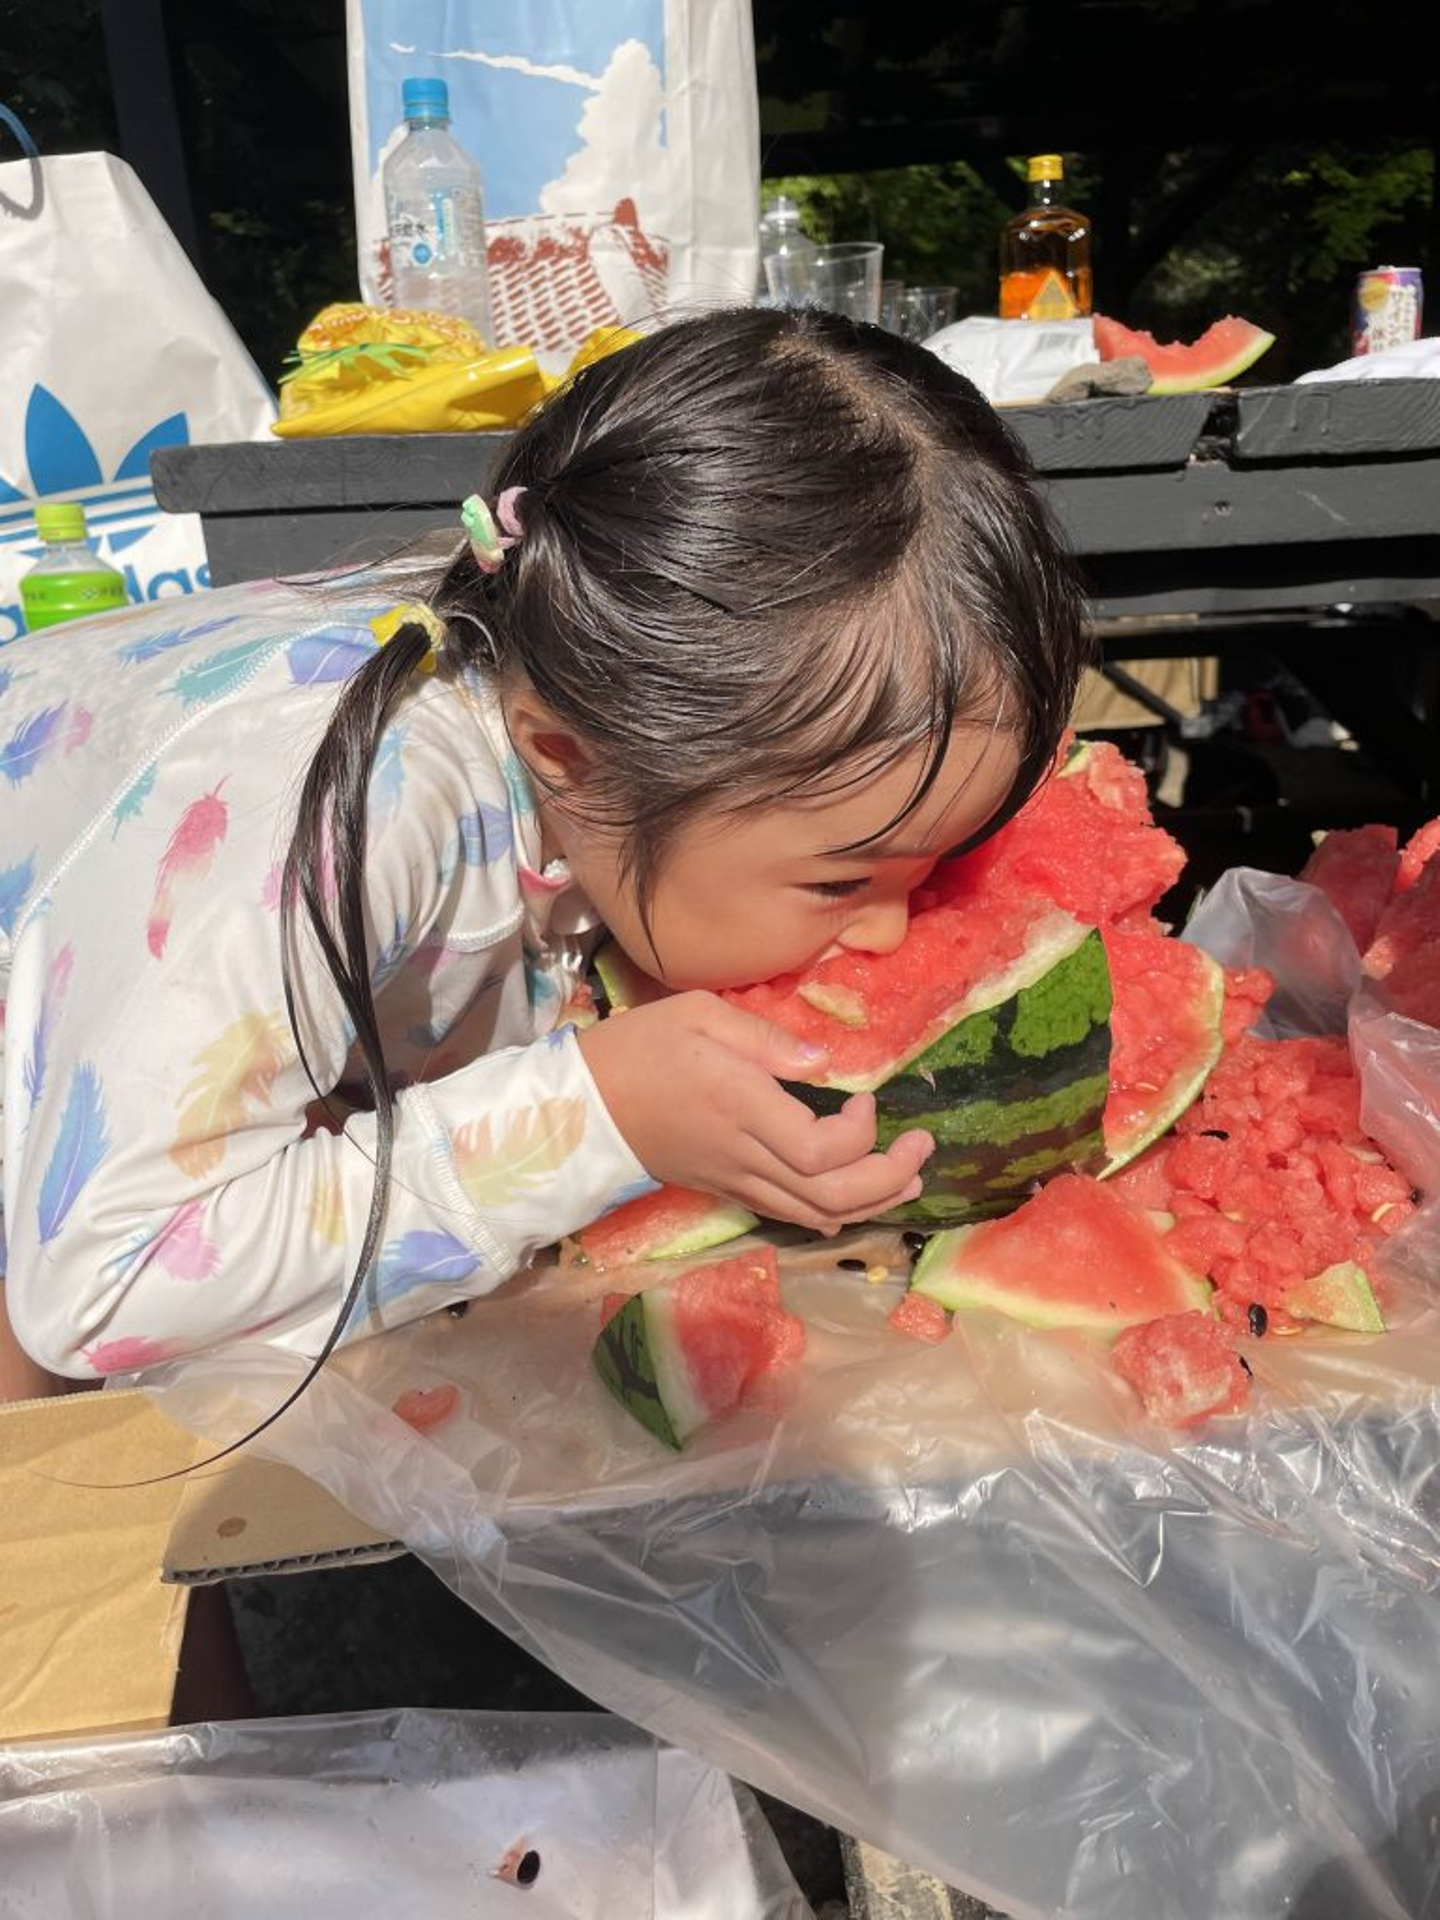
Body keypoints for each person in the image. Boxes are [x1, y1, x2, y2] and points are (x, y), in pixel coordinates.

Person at [0, 304, 1088, 1402]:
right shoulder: (350, 812)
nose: (893, 930)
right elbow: (102, 1291)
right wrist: (592, 1121)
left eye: (939, 865)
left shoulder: (577, 676)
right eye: (844, 878)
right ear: (568, 757)